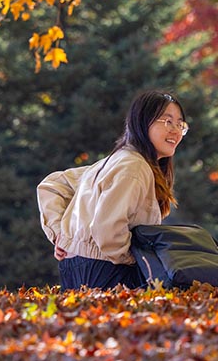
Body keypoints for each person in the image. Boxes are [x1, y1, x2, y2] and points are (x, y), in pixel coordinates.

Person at [37, 90, 187, 289]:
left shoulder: (117, 161)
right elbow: (108, 229)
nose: (175, 130)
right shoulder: (133, 166)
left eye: (180, 124)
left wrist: (63, 237)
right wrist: (133, 259)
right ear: (143, 122)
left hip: (78, 268)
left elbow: (54, 184)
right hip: (106, 269)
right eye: (167, 121)